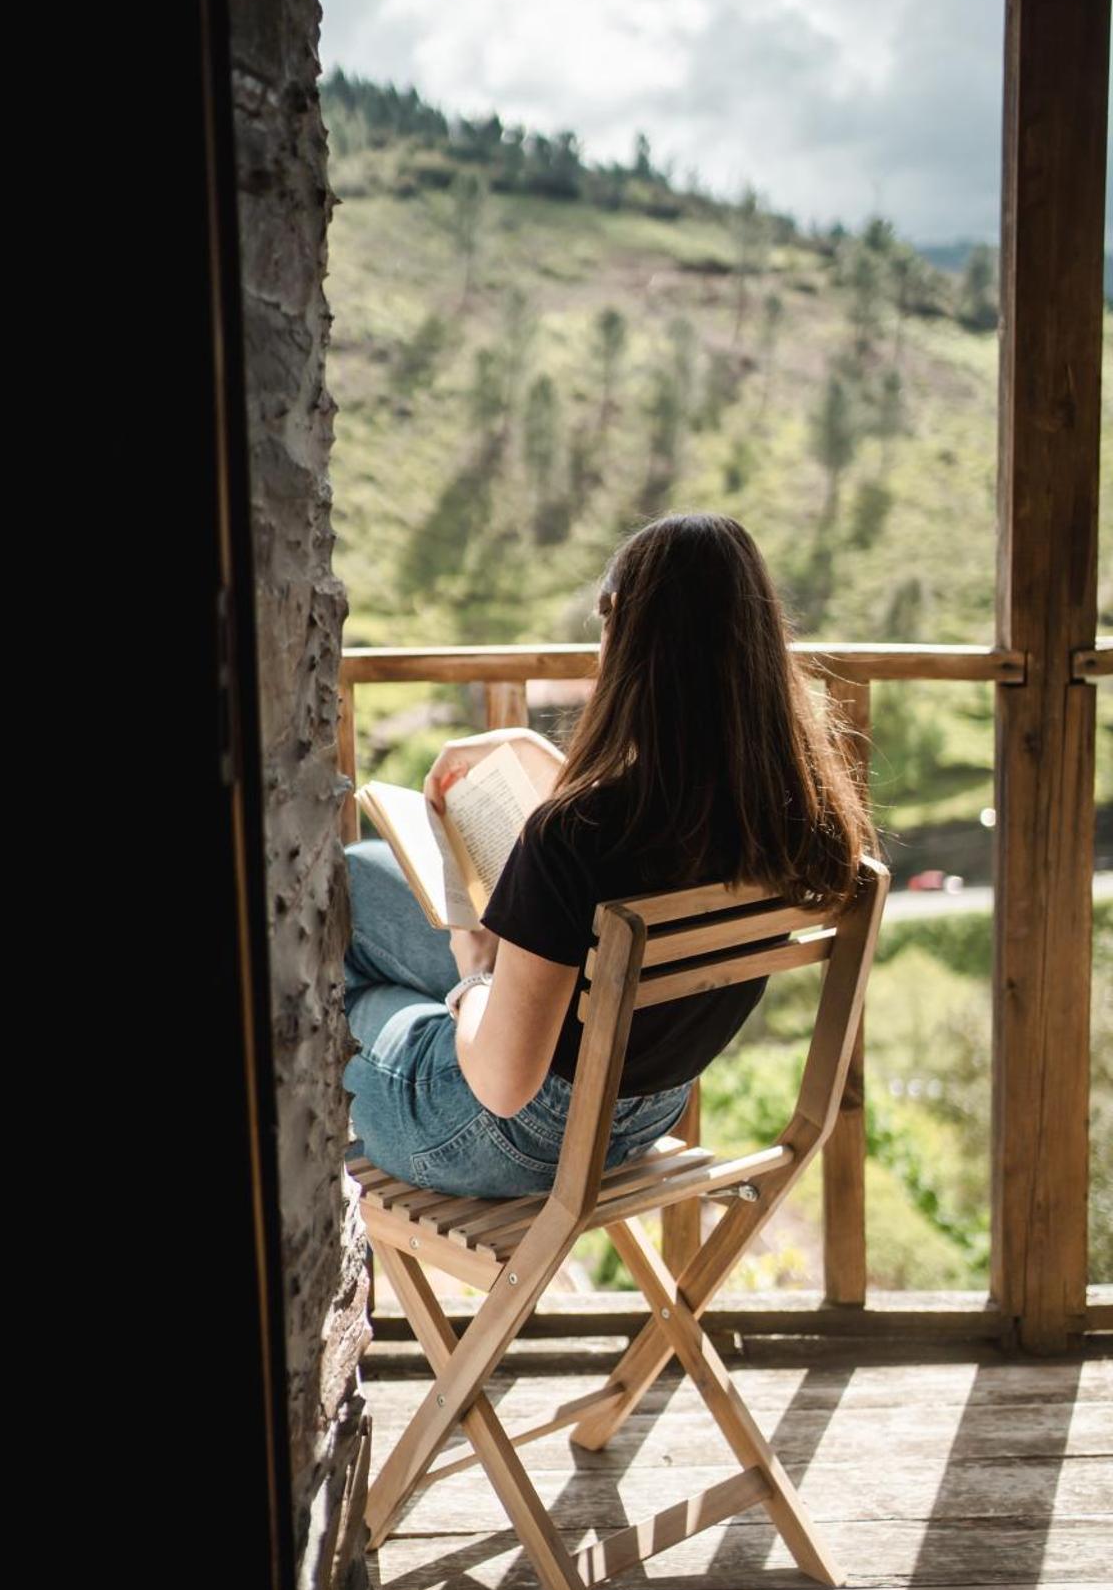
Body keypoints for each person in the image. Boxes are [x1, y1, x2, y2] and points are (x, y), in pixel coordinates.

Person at [342, 513, 874, 1199]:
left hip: (502, 1136)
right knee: (361, 875)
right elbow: (645, 837)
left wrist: (475, 972)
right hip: (649, 1108)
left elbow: (504, 1088)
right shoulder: (788, 816)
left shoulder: (573, 837)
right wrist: (538, 757)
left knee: (356, 987)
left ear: (624, 634)